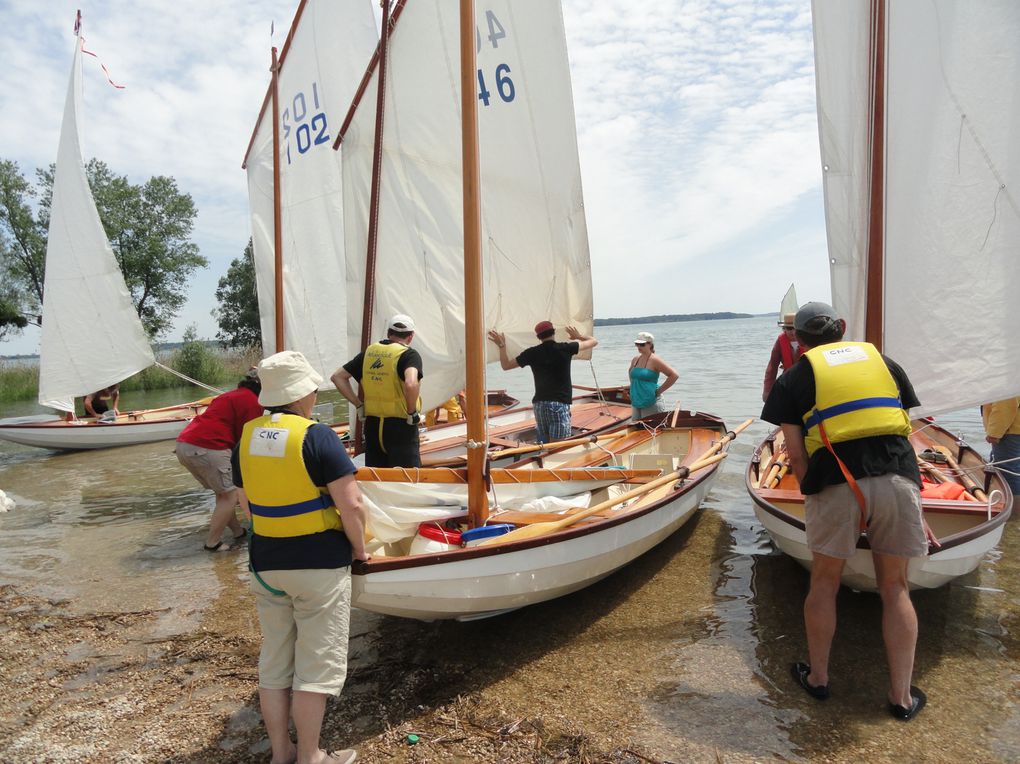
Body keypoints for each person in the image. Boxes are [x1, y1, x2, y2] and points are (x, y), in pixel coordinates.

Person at [761, 301, 938, 722]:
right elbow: (904, 432)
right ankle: (900, 697)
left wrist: (812, 497)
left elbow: (795, 452)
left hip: (834, 481)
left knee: (824, 583)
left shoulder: (795, 378)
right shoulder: (885, 363)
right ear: (841, 328)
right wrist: (916, 502)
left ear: (798, 340)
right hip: (897, 478)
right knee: (895, 587)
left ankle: (819, 679)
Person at [234, 350, 369, 764]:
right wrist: (361, 553)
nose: (314, 394)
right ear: (301, 394)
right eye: (311, 388)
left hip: (265, 566)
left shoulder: (246, 436)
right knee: (315, 666)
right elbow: (353, 506)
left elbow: (246, 506)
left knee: (275, 662)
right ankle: (312, 757)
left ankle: (281, 754)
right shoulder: (318, 435)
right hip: (318, 566)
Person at [175, 369, 265, 551]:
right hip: (208, 447)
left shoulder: (230, 396)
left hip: (184, 444)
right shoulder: (253, 402)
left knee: (223, 494)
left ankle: (238, 532)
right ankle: (212, 543)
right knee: (231, 496)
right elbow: (245, 441)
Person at [331, 314, 424, 467]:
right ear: (411, 336)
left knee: (377, 477)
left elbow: (337, 377)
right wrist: (411, 412)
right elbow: (411, 383)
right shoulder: (408, 355)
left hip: (373, 427)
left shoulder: (369, 353)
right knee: (408, 479)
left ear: (388, 333)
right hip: (400, 428)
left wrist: (359, 405)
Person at [487, 320, 597, 443]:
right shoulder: (565, 348)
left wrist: (501, 345)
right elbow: (593, 341)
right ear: (553, 332)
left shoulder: (532, 353)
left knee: (544, 443)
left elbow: (506, 365)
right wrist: (578, 336)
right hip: (558, 404)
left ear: (538, 337)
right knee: (557, 446)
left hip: (539, 405)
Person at [627, 331, 679, 420]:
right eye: (637, 344)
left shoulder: (655, 360)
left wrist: (658, 391)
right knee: (635, 429)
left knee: (650, 430)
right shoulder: (636, 359)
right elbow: (630, 373)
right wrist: (633, 389)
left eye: (642, 345)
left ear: (650, 344)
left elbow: (674, 375)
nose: (639, 347)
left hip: (651, 401)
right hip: (636, 400)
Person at [982, 396, 1020, 495]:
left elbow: (1005, 406)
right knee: (1011, 468)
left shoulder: (1008, 382)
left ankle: (1014, 508)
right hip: (1014, 431)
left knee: (1007, 471)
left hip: (1011, 432)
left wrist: (994, 433)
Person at [762, 312, 804, 402]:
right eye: (789, 328)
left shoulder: (808, 339)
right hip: (788, 380)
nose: (793, 332)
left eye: (795, 328)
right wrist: (767, 391)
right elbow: (772, 367)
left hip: (805, 380)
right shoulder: (780, 342)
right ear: (784, 329)